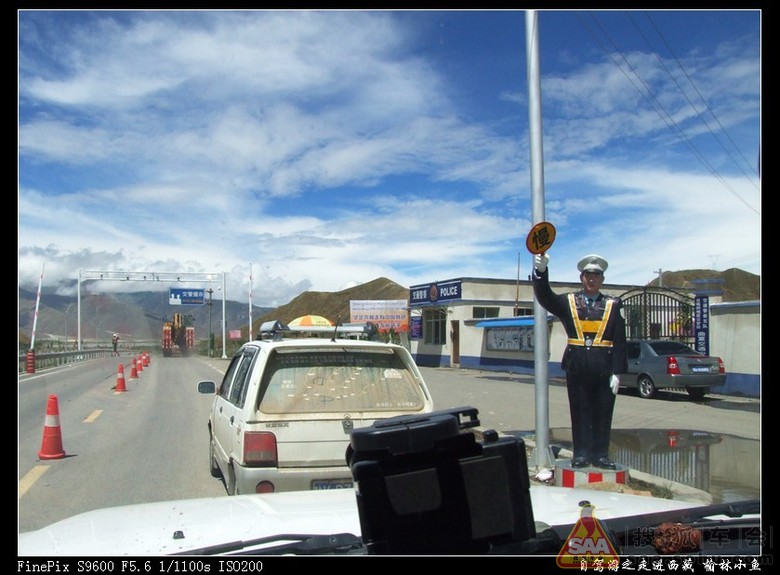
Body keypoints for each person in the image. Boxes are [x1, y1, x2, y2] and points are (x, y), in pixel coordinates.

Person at [532, 252, 627, 469]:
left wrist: (617, 372)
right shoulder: (569, 302)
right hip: (577, 367)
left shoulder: (613, 304)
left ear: (602, 279)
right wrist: (541, 272)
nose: (591, 279)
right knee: (580, 411)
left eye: (596, 275)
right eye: (587, 275)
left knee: (603, 413)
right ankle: (581, 454)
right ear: (581, 278)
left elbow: (620, 340)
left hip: (604, 368)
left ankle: (601, 455)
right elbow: (545, 296)